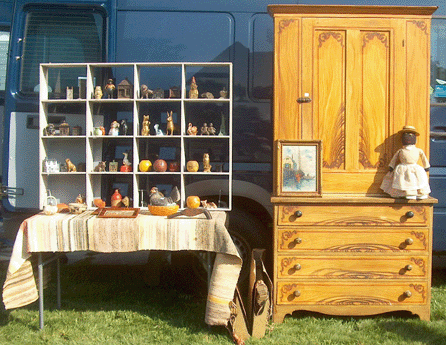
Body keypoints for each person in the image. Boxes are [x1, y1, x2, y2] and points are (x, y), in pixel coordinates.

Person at [380, 125, 431, 199]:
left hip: (415, 168)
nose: (408, 137)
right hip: (403, 168)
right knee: (404, 181)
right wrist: (391, 166)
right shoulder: (400, 151)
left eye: (411, 135)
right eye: (406, 135)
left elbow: (423, 158)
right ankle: (408, 193)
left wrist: (426, 166)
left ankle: (421, 193)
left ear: (415, 139)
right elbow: (394, 159)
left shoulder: (418, 150)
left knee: (419, 180)